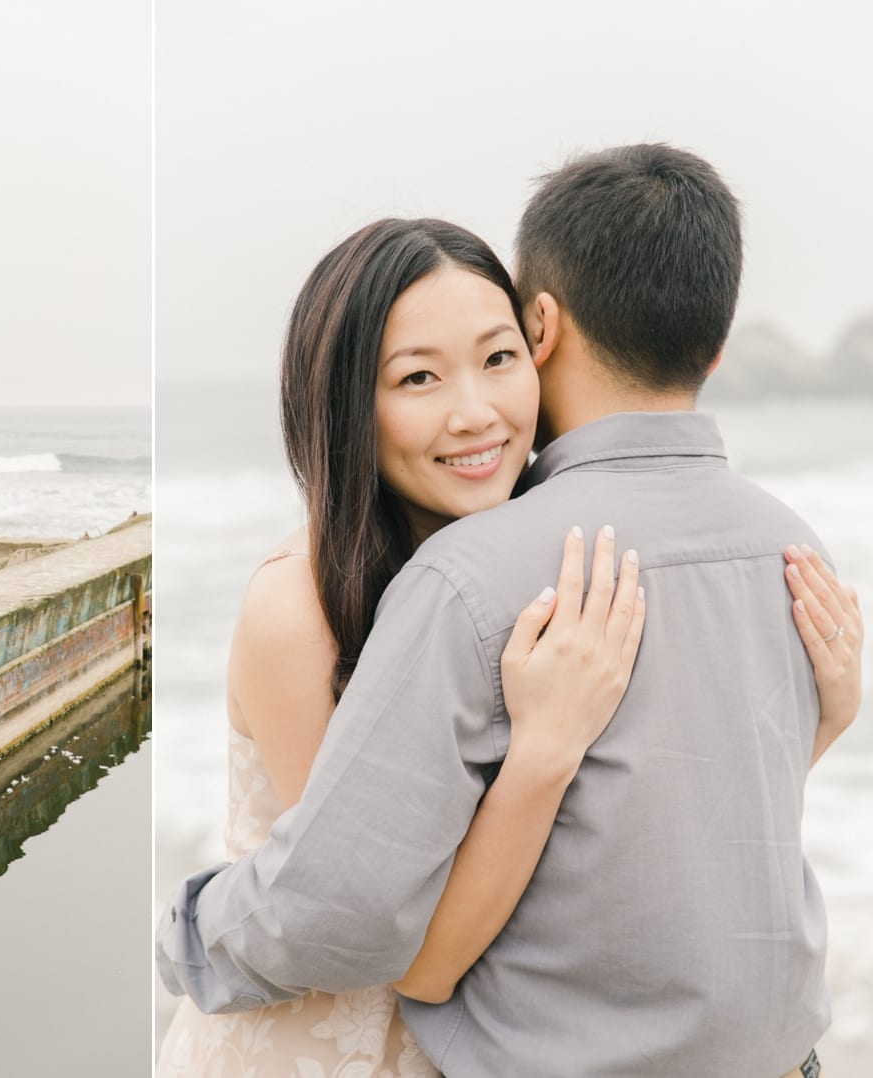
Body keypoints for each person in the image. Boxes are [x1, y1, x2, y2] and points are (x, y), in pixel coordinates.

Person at [157, 145, 864, 1078]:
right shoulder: (316, 600)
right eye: (418, 379)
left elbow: (635, 814)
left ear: (540, 335)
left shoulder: (492, 564)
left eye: (497, 359)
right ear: (346, 402)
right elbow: (368, 912)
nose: (477, 413)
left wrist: (826, 715)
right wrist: (544, 749)